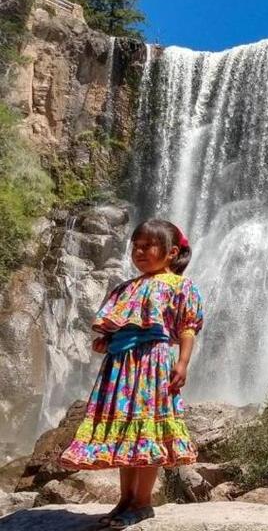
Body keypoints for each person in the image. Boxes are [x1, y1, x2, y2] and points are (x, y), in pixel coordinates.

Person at [57, 218, 205, 528]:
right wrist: (107, 341)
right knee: (127, 433)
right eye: (135, 247)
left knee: (147, 430)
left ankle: (143, 502)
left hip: (153, 364)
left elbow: (188, 328)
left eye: (148, 246)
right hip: (121, 368)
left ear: (171, 252)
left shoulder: (179, 285)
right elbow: (123, 326)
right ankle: (124, 500)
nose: (139, 252)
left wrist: (183, 362)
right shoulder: (126, 288)